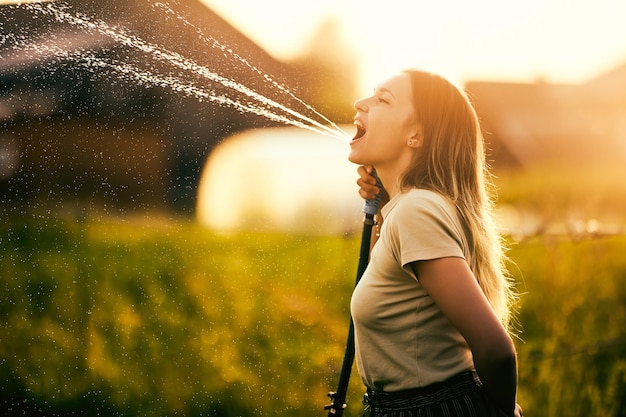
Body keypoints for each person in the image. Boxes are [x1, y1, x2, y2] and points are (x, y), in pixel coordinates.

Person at [348, 69, 522, 417]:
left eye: (383, 100)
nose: (360, 104)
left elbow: (496, 350)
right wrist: (382, 204)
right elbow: (393, 288)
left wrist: (503, 414)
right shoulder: (405, 210)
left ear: (416, 134)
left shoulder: (416, 210)